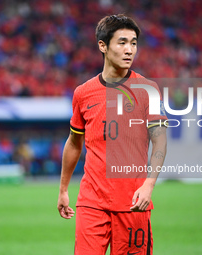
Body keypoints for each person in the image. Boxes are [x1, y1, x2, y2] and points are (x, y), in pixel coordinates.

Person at [57, 14, 168, 255]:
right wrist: (64, 189)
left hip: (133, 203)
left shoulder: (148, 90)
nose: (129, 50)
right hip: (91, 202)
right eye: (122, 42)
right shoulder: (83, 93)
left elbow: (160, 140)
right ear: (103, 46)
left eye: (134, 43)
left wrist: (149, 185)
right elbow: (74, 142)